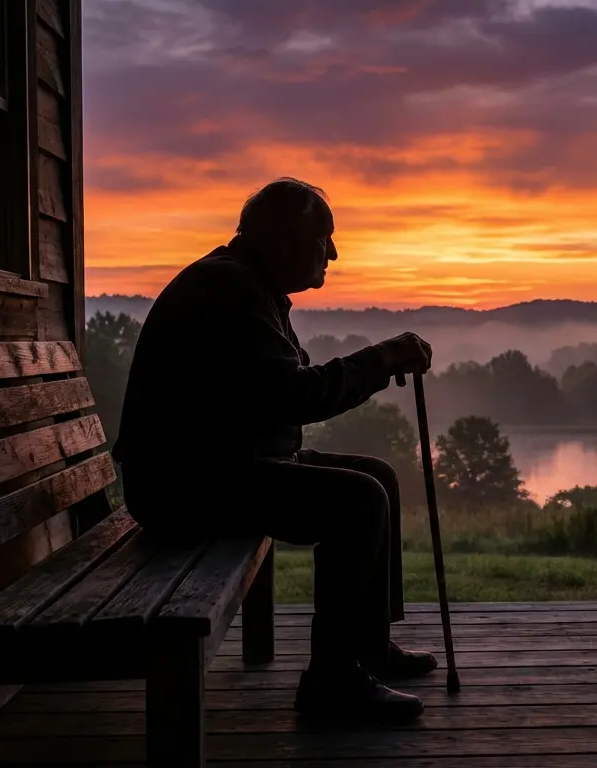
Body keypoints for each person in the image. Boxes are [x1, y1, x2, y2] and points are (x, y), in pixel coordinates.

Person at [112, 178, 436, 723]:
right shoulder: (230, 290)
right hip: (182, 487)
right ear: (286, 238)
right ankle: (332, 685)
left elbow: (278, 392)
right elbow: (294, 396)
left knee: (376, 474)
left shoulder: (247, 285)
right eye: (323, 237)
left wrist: (375, 364)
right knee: (357, 500)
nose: (332, 252)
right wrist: (380, 359)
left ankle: (366, 648)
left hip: (217, 464)